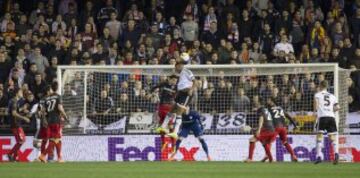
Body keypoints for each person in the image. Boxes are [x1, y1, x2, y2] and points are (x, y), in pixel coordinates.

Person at [156, 53, 195, 139]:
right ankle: (163, 127)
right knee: (171, 110)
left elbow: (194, 81)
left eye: (176, 66)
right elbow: (180, 85)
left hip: (186, 94)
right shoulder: (180, 74)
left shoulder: (187, 71)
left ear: (180, 65)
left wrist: (191, 90)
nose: (175, 68)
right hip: (181, 93)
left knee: (179, 112)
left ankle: (175, 132)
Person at [38, 83, 68, 163]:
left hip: (49, 121)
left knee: (57, 139)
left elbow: (43, 111)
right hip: (56, 121)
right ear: (57, 88)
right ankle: (43, 155)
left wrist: (44, 120)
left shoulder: (47, 98)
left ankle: (59, 158)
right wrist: (65, 116)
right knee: (55, 140)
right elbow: (60, 108)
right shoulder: (58, 96)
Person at [262, 97, 298, 162]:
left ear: (272, 101)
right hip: (283, 128)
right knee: (285, 142)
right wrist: (294, 125)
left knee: (267, 142)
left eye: (268, 100)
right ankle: (293, 155)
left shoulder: (269, 109)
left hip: (275, 127)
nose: (267, 102)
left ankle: (267, 155)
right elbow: (288, 116)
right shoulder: (280, 108)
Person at [314, 80, 340, 165]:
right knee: (332, 137)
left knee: (319, 137)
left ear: (320, 86)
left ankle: (319, 156)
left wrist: (316, 113)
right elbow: (338, 107)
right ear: (327, 86)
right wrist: (330, 110)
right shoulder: (332, 96)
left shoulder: (317, 95)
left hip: (322, 117)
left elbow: (316, 107)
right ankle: (336, 154)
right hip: (331, 117)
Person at [151, 74, 178, 151]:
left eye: (176, 81)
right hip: (161, 107)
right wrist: (153, 93)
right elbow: (154, 87)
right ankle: (163, 143)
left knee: (170, 127)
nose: (174, 82)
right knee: (161, 127)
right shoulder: (164, 84)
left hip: (169, 108)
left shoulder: (177, 88)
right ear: (169, 79)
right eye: (173, 80)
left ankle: (173, 145)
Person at [7, 88, 30, 162]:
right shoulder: (14, 101)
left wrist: (22, 109)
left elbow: (15, 111)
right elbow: (14, 113)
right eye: (20, 92)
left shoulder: (13, 101)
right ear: (17, 93)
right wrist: (24, 118)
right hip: (16, 124)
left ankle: (14, 158)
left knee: (19, 141)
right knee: (22, 140)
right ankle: (10, 154)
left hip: (15, 124)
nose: (22, 93)